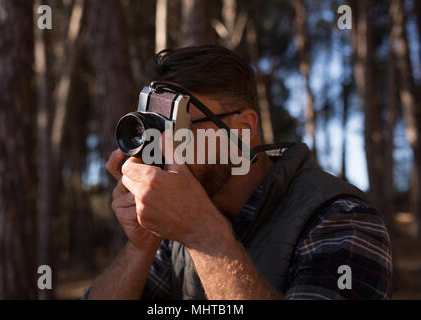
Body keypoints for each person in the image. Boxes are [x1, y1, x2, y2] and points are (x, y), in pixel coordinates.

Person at [85, 45, 392, 300]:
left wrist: (203, 233)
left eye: (178, 127)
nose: (162, 148)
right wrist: (142, 244)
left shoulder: (342, 218)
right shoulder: (175, 230)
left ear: (243, 129)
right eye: (153, 129)